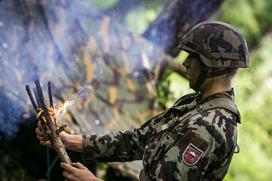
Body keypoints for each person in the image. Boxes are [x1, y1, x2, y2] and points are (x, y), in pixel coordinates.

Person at [36, 21, 249, 181]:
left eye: (193, 57)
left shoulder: (206, 127)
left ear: (213, 65)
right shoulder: (195, 104)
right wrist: (68, 140)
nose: (185, 63)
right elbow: (137, 141)